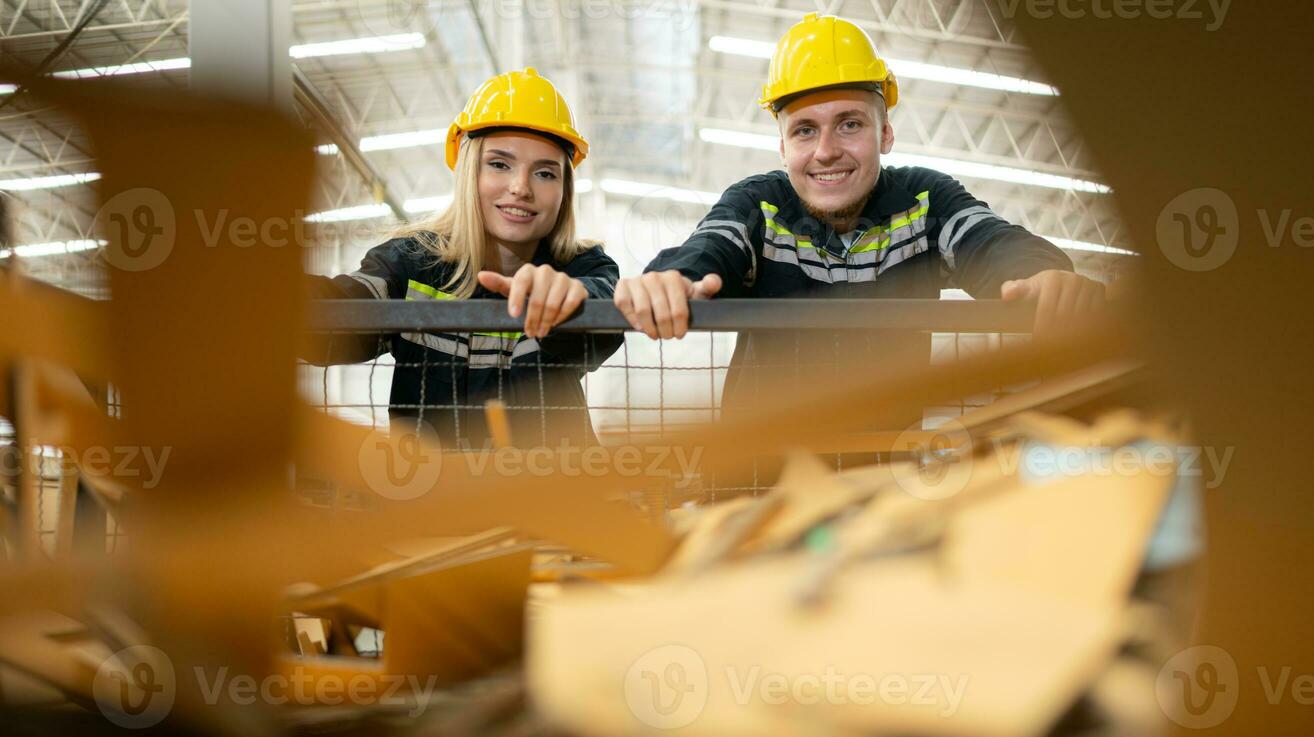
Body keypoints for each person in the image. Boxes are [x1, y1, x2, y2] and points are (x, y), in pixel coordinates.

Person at [613, 13, 1106, 421]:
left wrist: (1042, 274)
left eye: (849, 124)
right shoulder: (757, 205)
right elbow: (709, 248)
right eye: (805, 130)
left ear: (885, 134)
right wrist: (671, 280)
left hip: (883, 484)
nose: (826, 151)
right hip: (755, 483)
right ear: (782, 146)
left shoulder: (925, 200)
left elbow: (990, 239)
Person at [308, 68, 621, 447]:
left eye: (544, 173)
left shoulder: (584, 267)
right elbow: (334, 318)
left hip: (554, 499)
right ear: (468, 170)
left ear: (564, 190)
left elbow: (602, 317)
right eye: (500, 164)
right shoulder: (411, 263)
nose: (521, 187)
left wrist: (563, 298)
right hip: (436, 499)